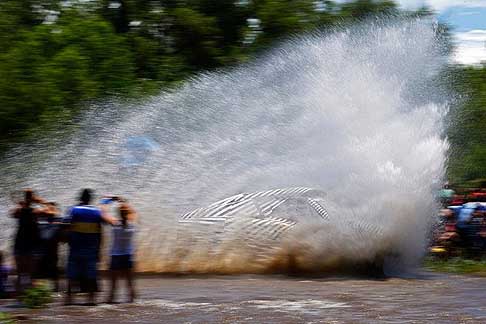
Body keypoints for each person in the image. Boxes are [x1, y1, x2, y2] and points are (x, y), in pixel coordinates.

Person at [64, 189, 116, 306]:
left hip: (75, 249)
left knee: (71, 277)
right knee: (91, 276)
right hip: (91, 250)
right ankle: (90, 301)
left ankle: (68, 300)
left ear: (80, 198)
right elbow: (106, 226)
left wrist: (67, 239)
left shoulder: (73, 210)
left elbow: (65, 226)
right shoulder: (96, 212)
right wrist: (105, 203)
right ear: (90, 199)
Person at [10, 189, 50, 294]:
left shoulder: (19, 211)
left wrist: (21, 205)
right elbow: (51, 211)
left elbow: (12, 213)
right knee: (32, 275)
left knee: (20, 274)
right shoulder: (35, 212)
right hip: (32, 245)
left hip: (19, 244)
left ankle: (19, 298)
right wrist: (41, 202)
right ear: (33, 198)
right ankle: (31, 297)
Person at [104, 197, 138, 303]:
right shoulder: (132, 224)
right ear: (128, 213)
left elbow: (102, 213)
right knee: (130, 285)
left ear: (118, 213)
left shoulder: (115, 223)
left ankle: (110, 305)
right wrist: (122, 201)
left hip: (116, 256)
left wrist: (107, 200)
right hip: (128, 256)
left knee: (113, 286)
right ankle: (132, 306)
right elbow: (133, 212)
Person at [36, 202, 62, 292]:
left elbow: (55, 213)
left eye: (51, 207)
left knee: (54, 274)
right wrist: (45, 209)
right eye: (48, 207)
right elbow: (37, 212)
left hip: (52, 252)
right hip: (40, 252)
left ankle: (55, 291)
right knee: (40, 275)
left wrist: (50, 209)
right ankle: (40, 293)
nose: (48, 209)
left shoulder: (57, 219)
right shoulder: (40, 219)